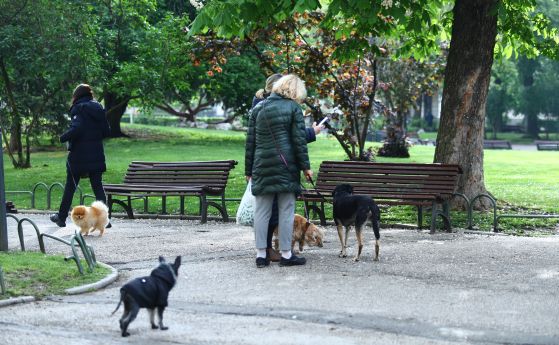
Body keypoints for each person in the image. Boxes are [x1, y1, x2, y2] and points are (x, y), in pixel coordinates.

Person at [251, 74, 324, 262]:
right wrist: (306, 167)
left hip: (261, 167)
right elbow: (299, 141)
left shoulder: (258, 107)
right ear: (295, 90)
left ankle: (261, 255)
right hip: (286, 168)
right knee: (286, 211)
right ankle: (286, 254)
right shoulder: (293, 108)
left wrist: (247, 170)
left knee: (261, 212)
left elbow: (250, 142)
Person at [50, 84, 111, 227]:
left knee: (70, 186)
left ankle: (61, 217)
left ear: (76, 95)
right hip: (96, 153)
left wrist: (63, 137)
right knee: (98, 187)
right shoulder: (98, 108)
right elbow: (106, 131)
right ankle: (105, 220)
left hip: (78, 156)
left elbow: (77, 128)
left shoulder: (79, 108)